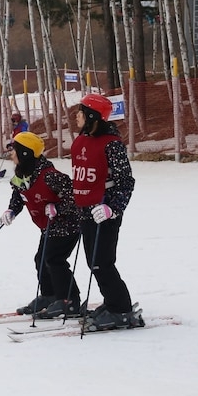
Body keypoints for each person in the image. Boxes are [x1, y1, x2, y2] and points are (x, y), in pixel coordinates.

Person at [72, 93, 139, 330]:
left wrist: (112, 208)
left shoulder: (111, 144)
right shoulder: (80, 140)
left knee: (102, 262)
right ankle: (112, 302)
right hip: (84, 210)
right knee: (93, 261)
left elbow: (126, 182)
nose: (76, 116)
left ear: (92, 116)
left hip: (104, 212)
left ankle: (121, 308)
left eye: (81, 111)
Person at [0, 131, 82, 318]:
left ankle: (69, 300)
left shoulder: (51, 176)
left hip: (67, 225)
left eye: (15, 151)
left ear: (25, 153)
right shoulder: (23, 174)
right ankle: (50, 295)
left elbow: (76, 198)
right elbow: (19, 195)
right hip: (48, 226)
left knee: (54, 260)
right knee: (41, 259)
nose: (12, 155)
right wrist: (11, 210)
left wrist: (58, 208)